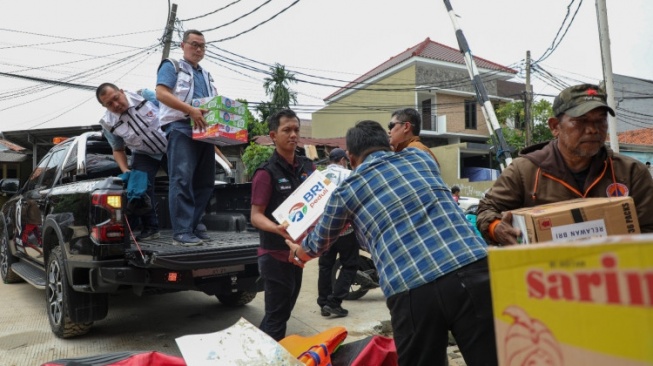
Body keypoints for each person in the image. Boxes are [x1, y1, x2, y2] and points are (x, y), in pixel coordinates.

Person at [287, 120, 496, 366]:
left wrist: (299, 252)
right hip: (474, 268)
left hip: (412, 290)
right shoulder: (422, 160)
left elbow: (318, 241)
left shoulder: (346, 192)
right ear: (388, 143)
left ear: (351, 158)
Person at [476, 83, 653, 246]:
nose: (592, 129)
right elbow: (486, 209)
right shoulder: (524, 171)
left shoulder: (631, 172)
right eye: (581, 121)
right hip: (546, 275)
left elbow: (648, 228)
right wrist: (496, 227)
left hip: (613, 273)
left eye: (600, 120)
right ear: (555, 126)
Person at [250, 109, 315, 341]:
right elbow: (256, 215)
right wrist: (276, 228)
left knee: (282, 312)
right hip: (274, 254)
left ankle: (253, 348)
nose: (293, 135)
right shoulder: (266, 173)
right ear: (273, 135)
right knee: (277, 318)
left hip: (298, 253)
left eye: (296, 130)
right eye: (286, 130)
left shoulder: (309, 167)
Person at [156, 29, 218, 246]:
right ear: (183, 46)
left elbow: (214, 105)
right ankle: (181, 232)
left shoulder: (207, 75)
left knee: (205, 182)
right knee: (182, 179)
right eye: (194, 44)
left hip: (204, 132)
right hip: (180, 127)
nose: (198, 49)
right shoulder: (172, 66)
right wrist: (190, 110)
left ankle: (192, 226)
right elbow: (161, 93)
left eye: (202, 46)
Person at [96, 83, 167, 241]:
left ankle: (189, 227)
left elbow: (171, 110)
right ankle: (151, 228)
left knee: (182, 183)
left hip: (171, 144)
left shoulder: (144, 96)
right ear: (104, 106)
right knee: (139, 189)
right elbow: (118, 149)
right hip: (144, 153)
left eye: (116, 98)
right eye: (109, 104)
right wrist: (125, 169)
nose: (116, 105)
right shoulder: (108, 123)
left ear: (121, 91)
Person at [316, 148, 360, 318]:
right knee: (349, 264)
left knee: (325, 265)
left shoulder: (319, 176)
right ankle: (334, 303)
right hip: (345, 230)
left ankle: (323, 303)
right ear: (342, 160)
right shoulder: (350, 175)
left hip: (324, 230)